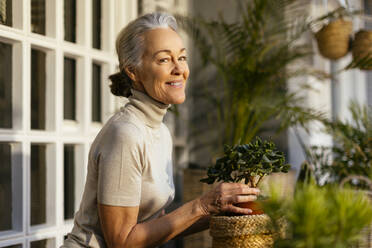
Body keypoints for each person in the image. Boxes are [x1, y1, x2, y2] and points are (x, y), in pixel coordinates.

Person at [61, 12, 260, 248]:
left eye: (182, 57)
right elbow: (122, 242)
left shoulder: (160, 132)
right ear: (133, 71)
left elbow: (156, 226)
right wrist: (202, 205)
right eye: (164, 59)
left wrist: (223, 209)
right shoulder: (126, 133)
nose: (179, 69)